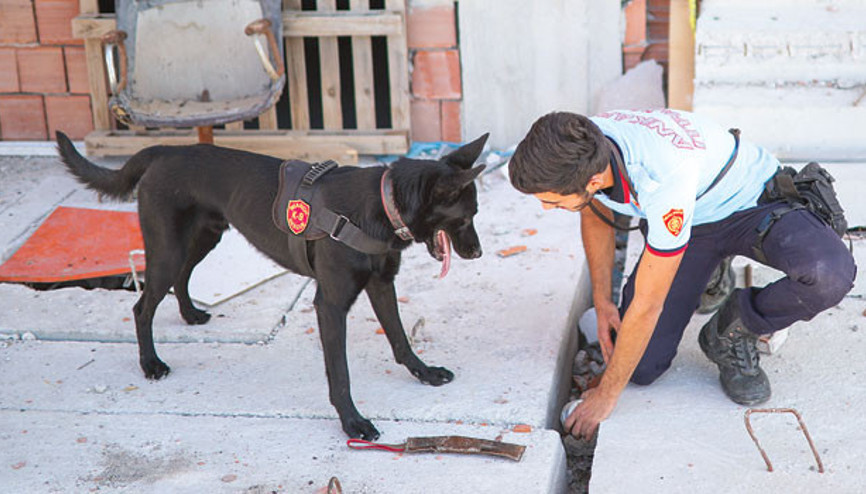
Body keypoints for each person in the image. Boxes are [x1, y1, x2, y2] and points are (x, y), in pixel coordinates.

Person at [508, 109, 856, 440]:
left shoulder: (660, 180)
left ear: (594, 179)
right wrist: (602, 301)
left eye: (552, 202)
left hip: (755, 202)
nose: (546, 209)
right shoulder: (584, 143)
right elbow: (594, 208)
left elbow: (648, 303)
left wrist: (605, 396)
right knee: (641, 367)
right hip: (693, 221)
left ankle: (732, 331)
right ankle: (710, 275)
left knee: (829, 274)